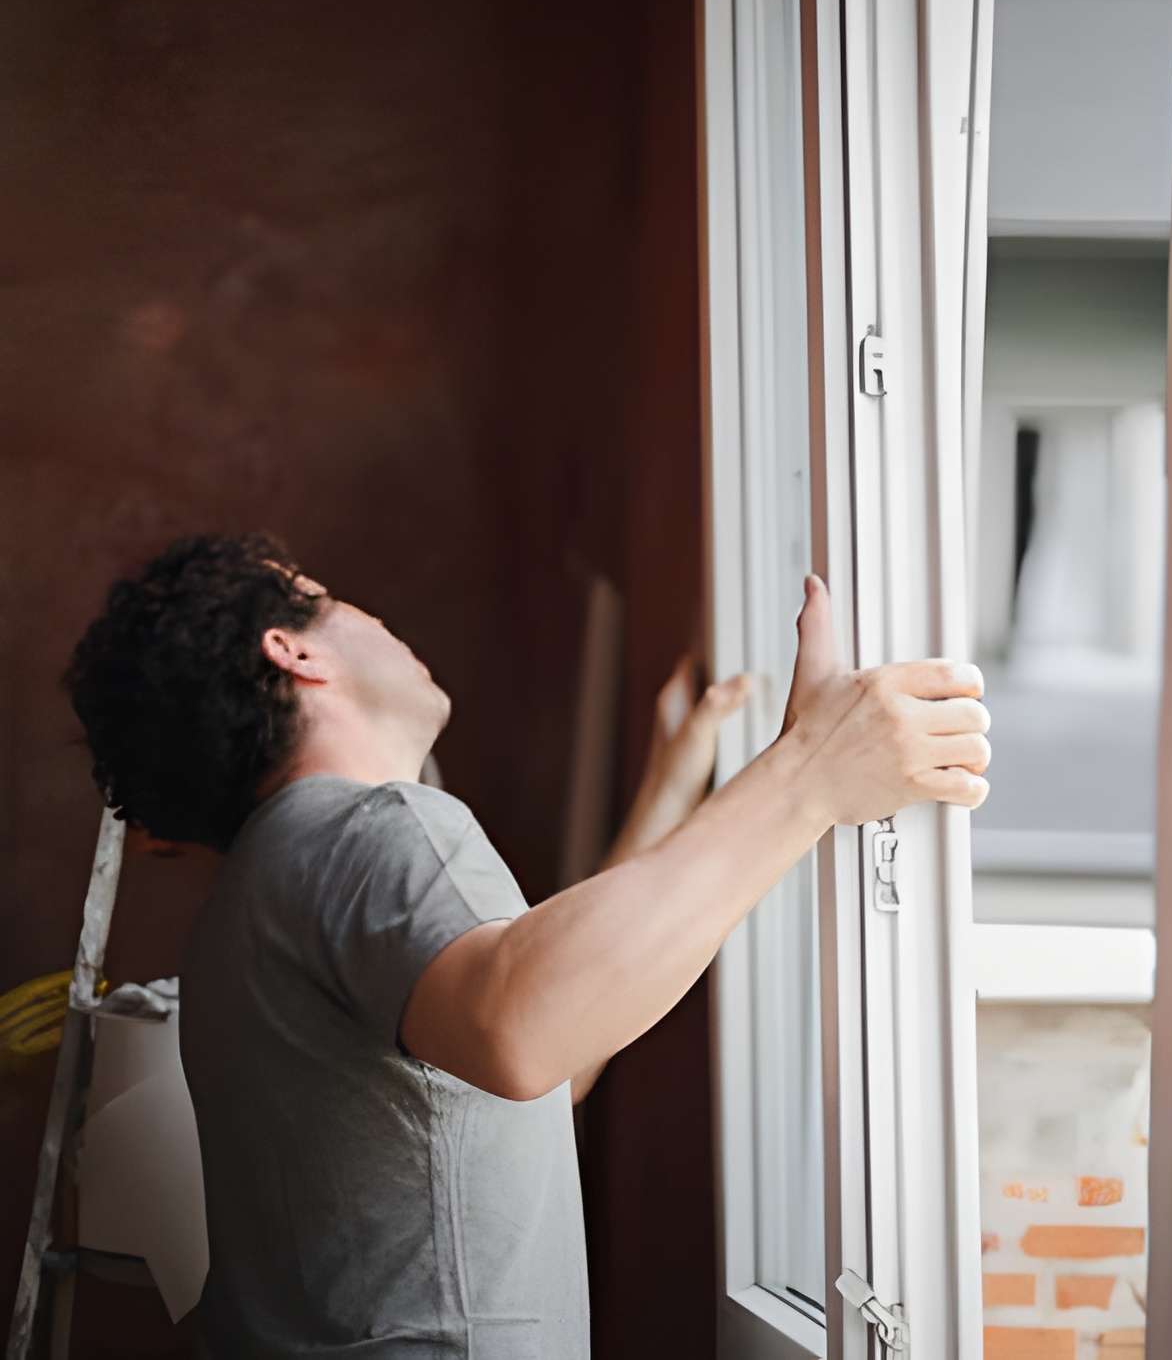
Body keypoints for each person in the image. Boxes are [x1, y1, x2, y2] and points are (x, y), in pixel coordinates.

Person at [62, 532, 991, 1358]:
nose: (379, 621)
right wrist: (810, 778)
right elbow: (523, 1030)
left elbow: (548, 1060)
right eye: (343, 603)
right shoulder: (372, 826)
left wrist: (683, 790)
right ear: (294, 649)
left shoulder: (264, 884)